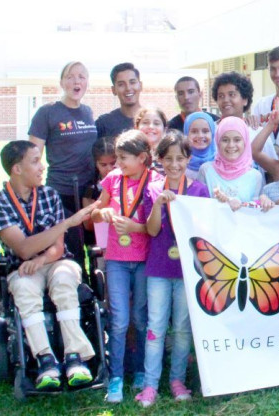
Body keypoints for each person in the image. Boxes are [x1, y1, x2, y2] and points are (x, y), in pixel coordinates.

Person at [0, 141, 99, 389]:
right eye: (35, 161)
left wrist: (41, 258)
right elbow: (23, 248)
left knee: (64, 280)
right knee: (25, 289)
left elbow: (57, 247)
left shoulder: (49, 195)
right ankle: (45, 359)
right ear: (17, 169)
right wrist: (67, 224)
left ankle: (74, 357)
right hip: (21, 267)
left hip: (55, 261)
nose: (43, 166)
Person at [135, 132, 210, 407]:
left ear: (189, 159)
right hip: (158, 269)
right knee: (156, 326)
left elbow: (203, 231)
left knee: (181, 327)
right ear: (160, 160)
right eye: (168, 159)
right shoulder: (153, 189)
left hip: (187, 271)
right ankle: (150, 384)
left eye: (180, 158)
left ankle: (177, 379)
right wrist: (157, 204)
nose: (175, 164)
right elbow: (152, 230)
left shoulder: (199, 190)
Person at [91, 130, 163, 403]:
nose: (117, 162)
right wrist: (103, 212)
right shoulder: (112, 179)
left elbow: (160, 227)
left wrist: (137, 227)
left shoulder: (156, 181)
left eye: (123, 157)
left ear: (142, 157)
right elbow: (96, 211)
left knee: (141, 319)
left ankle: (143, 372)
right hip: (117, 261)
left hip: (146, 260)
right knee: (119, 320)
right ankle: (116, 376)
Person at [28, 61, 98, 269]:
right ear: (61, 82)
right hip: (61, 193)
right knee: (70, 251)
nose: (76, 81)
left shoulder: (88, 112)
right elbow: (32, 155)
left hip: (88, 194)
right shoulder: (48, 112)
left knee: (94, 247)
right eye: (70, 76)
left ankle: (95, 292)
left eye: (81, 76)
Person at [212, 71, 278, 180]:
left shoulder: (257, 131)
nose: (225, 100)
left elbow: (271, 172)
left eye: (232, 94)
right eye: (221, 96)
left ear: (245, 100)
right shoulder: (211, 131)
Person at [196, 117, 272, 210]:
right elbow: (198, 204)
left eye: (237, 140)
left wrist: (263, 200)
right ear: (218, 142)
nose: (231, 145)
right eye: (225, 140)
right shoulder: (206, 170)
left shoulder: (255, 176)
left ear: (245, 142)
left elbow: (256, 210)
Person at [96, 62, 143, 139]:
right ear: (113, 90)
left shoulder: (153, 120)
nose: (128, 88)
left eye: (132, 82)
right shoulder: (104, 124)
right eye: (121, 84)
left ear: (141, 86)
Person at [82, 136, 117, 236]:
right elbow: (88, 225)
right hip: (101, 239)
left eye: (113, 163)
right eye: (103, 165)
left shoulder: (129, 182)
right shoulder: (91, 189)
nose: (109, 169)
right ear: (96, 163)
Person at [183, 112, 217, 180]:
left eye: (205, 131)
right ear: (186, 133)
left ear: (212, 133)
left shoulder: (220, 161)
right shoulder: (181, 162)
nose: (200, 135)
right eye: (194, 131)